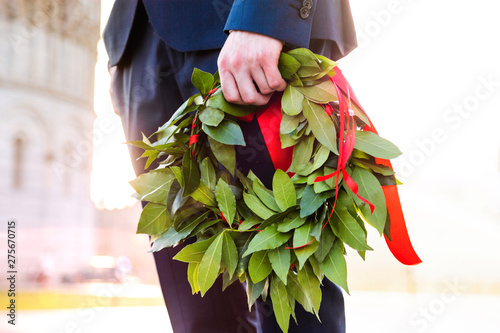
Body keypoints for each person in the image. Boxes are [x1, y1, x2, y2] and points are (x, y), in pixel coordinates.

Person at [104, 1, 357, 332]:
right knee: (202, 313)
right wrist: (123, 65)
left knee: (292, 292)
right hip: (137, 44)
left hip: (242, 28)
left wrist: (266, 15)